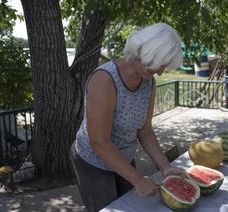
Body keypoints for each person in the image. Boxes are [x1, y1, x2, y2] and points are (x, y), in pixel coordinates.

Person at [70, 23, 185, 212]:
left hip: (123, 157)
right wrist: (138, 179)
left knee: (132, 207)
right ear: (146, 53)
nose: (160, 72)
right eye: (159, 65)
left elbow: (145, 131)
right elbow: (99, 141)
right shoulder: (104, 79)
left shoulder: (149, 82)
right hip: (92, 161)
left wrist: (165, 167)